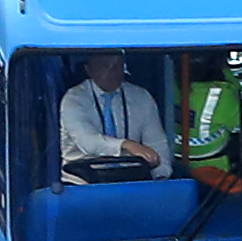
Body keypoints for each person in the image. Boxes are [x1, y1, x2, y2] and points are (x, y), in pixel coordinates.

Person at [57, 49, 172, 177]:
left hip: (130, 181)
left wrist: (161, 176)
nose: (112, 71)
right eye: (104, 66)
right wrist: (126, 145)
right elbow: (88, 142)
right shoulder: (73, 99)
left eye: (117, 66)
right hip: (81, 183)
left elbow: (157, 143)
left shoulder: (142, 97)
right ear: (88, 69)